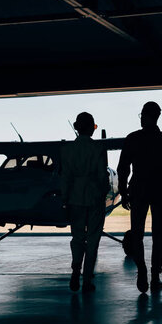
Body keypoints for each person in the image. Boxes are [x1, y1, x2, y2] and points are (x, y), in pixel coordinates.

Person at [117, 102, 162, 293]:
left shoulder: (132, 139)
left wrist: (123, 190)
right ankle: (155, 276)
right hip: (160, 190)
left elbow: (123, 169)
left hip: (138, 190)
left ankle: (142, 271)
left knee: (137, 234)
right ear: (158, 116)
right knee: (158, 234)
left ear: (144, 116)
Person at [60, 112, 109, 293]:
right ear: (90, 128)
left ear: (76, 127)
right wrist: (103, 193)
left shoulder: (67, 150)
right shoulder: (98, 149)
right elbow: (103, 176)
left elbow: (65, 177)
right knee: (93, 239)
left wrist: (65, 198)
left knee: (78, 238)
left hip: (75, 199)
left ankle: (75, 272)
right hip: (95, 198)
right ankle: (87, 279)